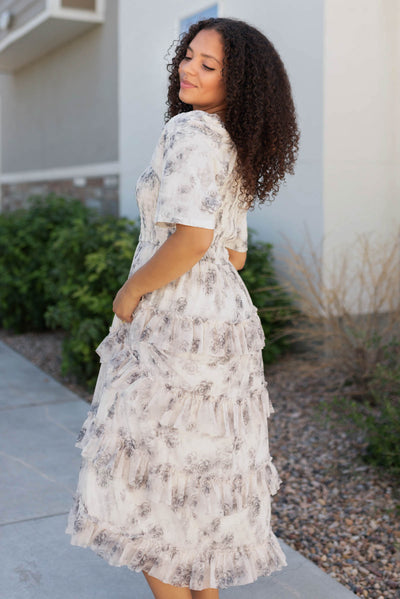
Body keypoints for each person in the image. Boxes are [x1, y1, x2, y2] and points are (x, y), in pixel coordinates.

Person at [65, 16, 300, 599]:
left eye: (208, 65)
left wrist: (131, 290)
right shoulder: (234, 142)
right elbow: (235, 254)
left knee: (151, 489)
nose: (187, 69)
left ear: (237, 82)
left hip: (175, 322)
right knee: (198, 486)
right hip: (224, 323)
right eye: (188, 56)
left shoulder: (191, 132)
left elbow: (192, 240)